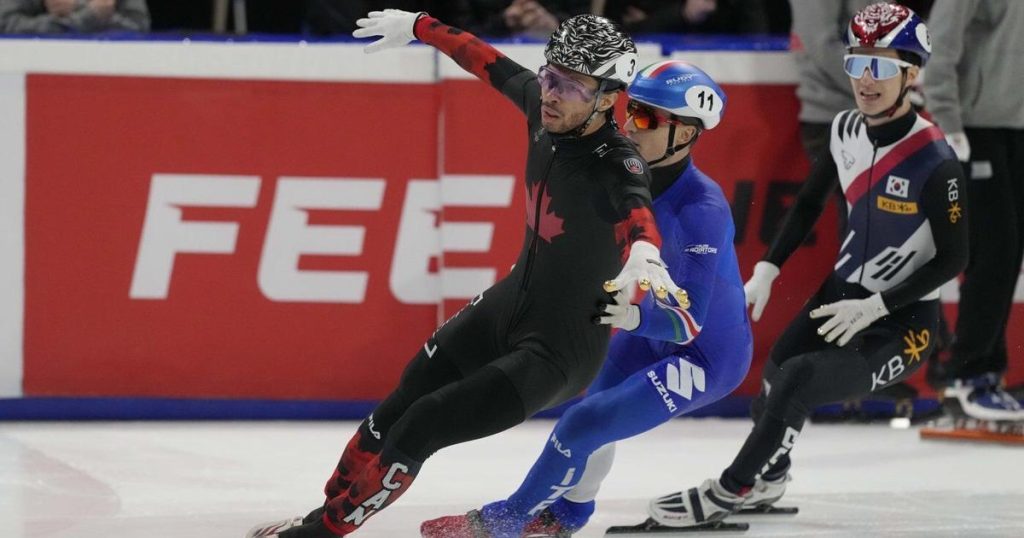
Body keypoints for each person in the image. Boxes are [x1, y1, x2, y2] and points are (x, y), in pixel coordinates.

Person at [246, 9, 687, 538]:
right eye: (549, 76)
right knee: (399, 402)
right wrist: (420, 25)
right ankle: (322, 514)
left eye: (570, 86)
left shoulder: (619, 160)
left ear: (607, 96)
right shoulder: (543, 110)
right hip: (509, 305)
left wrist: (646, 250)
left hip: (557, 353)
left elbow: (638, 207)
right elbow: (487, 61)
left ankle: (319, 535)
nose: (550, 93)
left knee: (423, 422)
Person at [641, 2, 968, 528]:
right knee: (773, 373)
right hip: (840, 295)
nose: (865, 79)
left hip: (904, 322)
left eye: (880, 67)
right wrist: (768, 269)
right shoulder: (844, 130)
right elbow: (811, 202)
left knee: (799, 379)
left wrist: (876, 307)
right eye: (856, 62)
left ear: (911, 74)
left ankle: (731, 489)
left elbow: (955, 257)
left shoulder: (934, 158)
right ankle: (770, 478)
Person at [418, 60, 753, 538]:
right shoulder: (615, 170)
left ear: (687, 133)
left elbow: (689, 323)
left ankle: (506, 521)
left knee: (583, 426)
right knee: (590, 412)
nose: (629, 125)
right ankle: (571, 514)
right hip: (648, 326)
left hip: (704, 353)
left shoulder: (704, 210)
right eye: (630, 110)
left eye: (647, 118)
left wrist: (634, 316)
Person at [922, 0, 1024, 421]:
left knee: (1008, 254)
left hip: (1015, 128)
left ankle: (984, 373)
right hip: (976, 128)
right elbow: (940, 46)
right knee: (993, 253)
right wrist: (949, 123)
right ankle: (965, 371)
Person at [0, 0, 149, 33]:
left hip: (108, 66)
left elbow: (139, 25)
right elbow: (5, 23)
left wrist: (77, 8)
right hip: (43, 64)